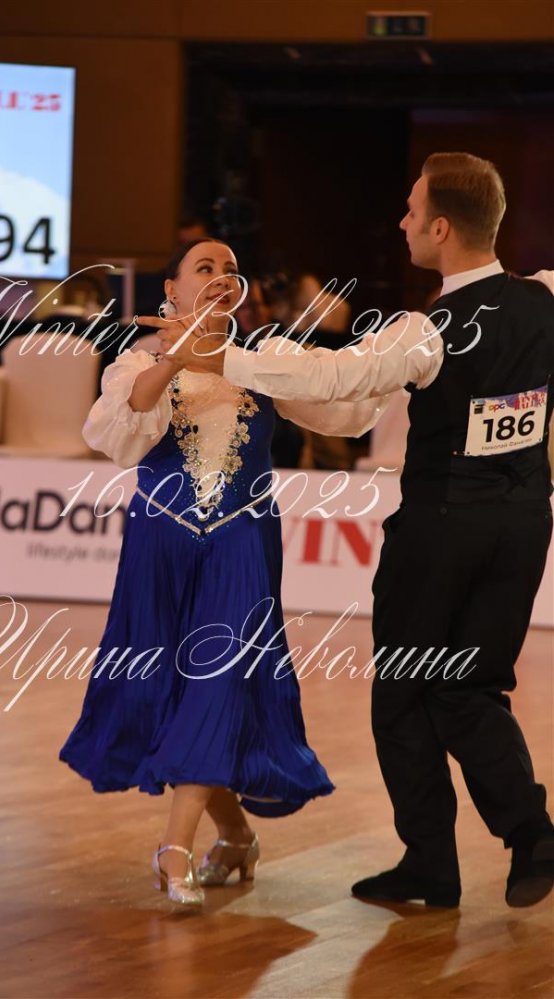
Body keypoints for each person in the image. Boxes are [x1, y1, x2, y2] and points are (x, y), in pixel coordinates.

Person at [152, 154, 554, 909]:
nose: (402, 223)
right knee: (472, 687)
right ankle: (515, 840)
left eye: (411, 211)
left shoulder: (426, 331)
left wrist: (221, 354)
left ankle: (460, 854)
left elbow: (336, 378)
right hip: (526, 524)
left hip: (441, 533)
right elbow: (346, 403)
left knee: (406, 693)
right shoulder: (545, 297)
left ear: (441, 228)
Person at [59, 238, 389, 908]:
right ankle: (236, 836)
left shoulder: (264, 359)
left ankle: (173, 846)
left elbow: (344, 408)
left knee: (218, 683)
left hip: (241, 540)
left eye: (230, 270)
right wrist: (177, 353)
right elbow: (125, 425)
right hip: (160, 544)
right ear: (171, 291)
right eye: (204, 268)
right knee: (163, 692)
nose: (220, 278)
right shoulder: (141, 361)